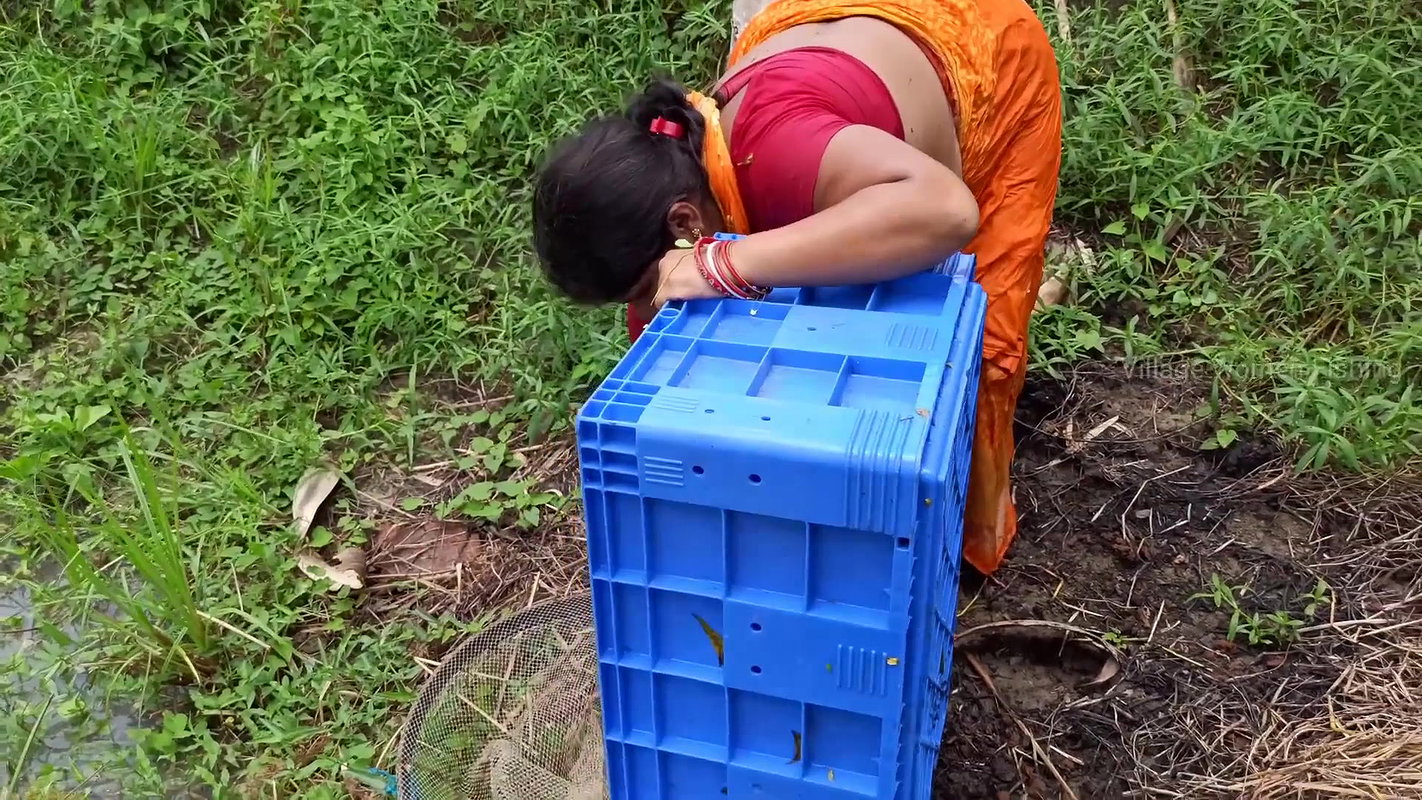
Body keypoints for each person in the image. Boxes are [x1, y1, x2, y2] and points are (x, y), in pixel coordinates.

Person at [531, 0, 1062, 576]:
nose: (646, 306)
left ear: (686, 225)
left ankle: (956, 540)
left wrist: (726, 265)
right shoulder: (692, 163)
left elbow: (945, 211)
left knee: (978, 325)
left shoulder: (777, 147)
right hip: (813, 30)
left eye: (643, 287)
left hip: (982, 47)